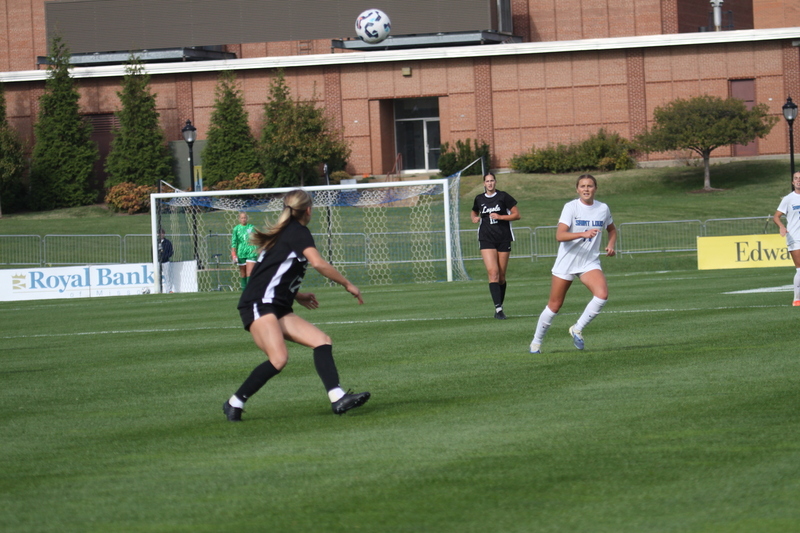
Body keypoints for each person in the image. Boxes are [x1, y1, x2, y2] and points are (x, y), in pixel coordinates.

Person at [222, 189, 370, 422]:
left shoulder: (285, 233)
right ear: (308, 210)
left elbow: (269, 274)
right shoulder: (297, 232)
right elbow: (319, 263)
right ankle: (234, 402)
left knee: (322, 341)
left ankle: (337, 398)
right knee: (279, 358)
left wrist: (296, 294)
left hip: (275, 304)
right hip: (258, 304)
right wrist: (347, 284)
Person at [529, 174, 617, 353]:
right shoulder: (570, 207)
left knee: (602, 295)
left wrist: (610, 245)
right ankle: (536, 342)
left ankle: (577, 328)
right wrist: (583, 233)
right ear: (577, 189)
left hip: (588, 261)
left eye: (590, 186)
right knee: (554, 305)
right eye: (583, 186)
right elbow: (560, 235)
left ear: (595, 189)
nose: (586, 189)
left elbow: (612, 229)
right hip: (567, 262)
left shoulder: (603, 208)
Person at [471, 172, 521, 319]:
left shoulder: (503, 197)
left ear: (495, 182)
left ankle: (500, 305)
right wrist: (474, 217)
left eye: (492, 180)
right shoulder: (479, 198)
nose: (490, 183)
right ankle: (498, 309)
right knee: (493, 273)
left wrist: (501, 217)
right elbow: (474, 210)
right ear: (484, 183)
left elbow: (517, 215)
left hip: (503, 238)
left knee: (501, 277)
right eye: (487, 181)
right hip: (486, 238)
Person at [773, 171, 800, 306]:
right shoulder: (788, 199)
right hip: (795, 237)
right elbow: (776, 216)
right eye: (796, 178)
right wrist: (782, 227)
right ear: (792, 182)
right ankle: (797, 299)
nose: (798, 180)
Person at [231, 211, 258, 290]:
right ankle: (244, 292)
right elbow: (234, 242)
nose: (244, 219)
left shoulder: (251, 227)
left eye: (245, 218)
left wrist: (259, 249)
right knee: (243, 274)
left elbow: (256, 238)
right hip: (241, 253)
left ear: (247, 218)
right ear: (239, 219)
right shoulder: (236, 229)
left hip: (251, 252)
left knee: (250, 273)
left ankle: (249, 291)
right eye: (242, 218)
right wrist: (233, 254)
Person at [157, 228, 174, 293]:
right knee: (158, 276)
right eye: (160, 233)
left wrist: (166, 256)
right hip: (158, 262)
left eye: (162, 233)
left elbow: (171, 251)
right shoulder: (156, 242)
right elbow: (153, 251)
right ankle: (158, 290)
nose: (161, 234)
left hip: (166, 261)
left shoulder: (167, 242)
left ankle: (169, 290)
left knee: (167, 276)